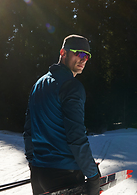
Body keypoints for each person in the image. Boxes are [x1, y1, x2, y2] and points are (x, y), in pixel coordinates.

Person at [23, 34, 100, 195]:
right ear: (63, 53)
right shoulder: (71, 86)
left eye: (87, 56)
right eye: (78, 53)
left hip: (39, 175)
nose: (83, 59)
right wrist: (93, 175)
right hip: (64, 176)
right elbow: (76, 136)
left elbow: (28, 131)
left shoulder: (39, 84)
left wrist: (34, 163)